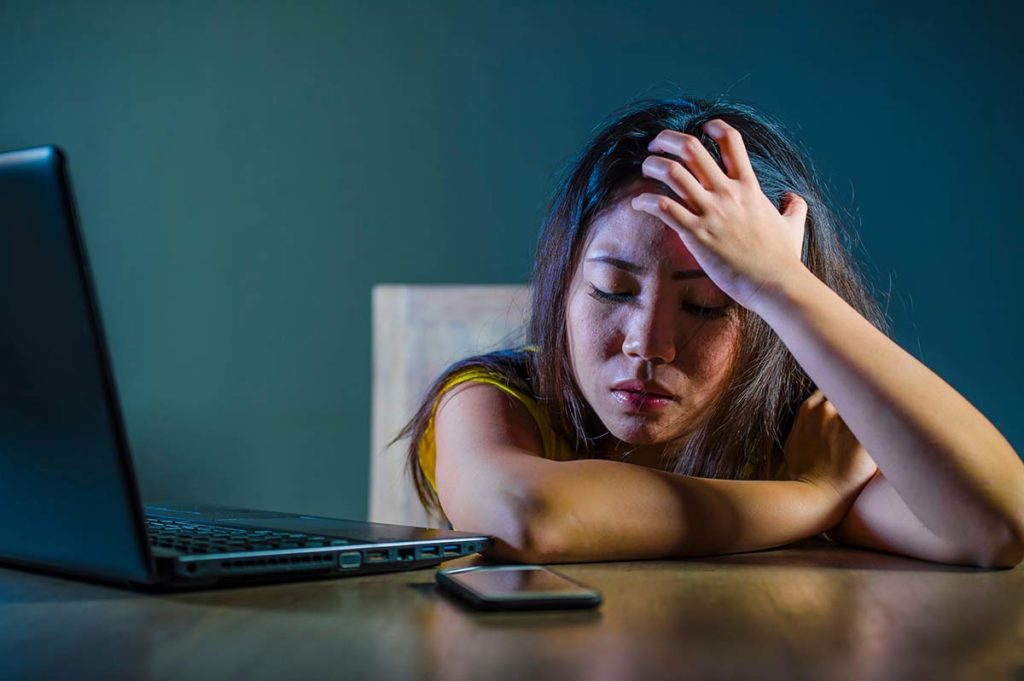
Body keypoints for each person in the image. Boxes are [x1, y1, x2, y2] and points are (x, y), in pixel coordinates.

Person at [394, 96, 1024, 569]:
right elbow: (524, 516)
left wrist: (784, 284)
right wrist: (811, 497)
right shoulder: (496, 397)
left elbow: (995, 526)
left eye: (706, 306)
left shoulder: (798, 432)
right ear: (563, 284)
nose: (648, 343)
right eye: (613, 290)